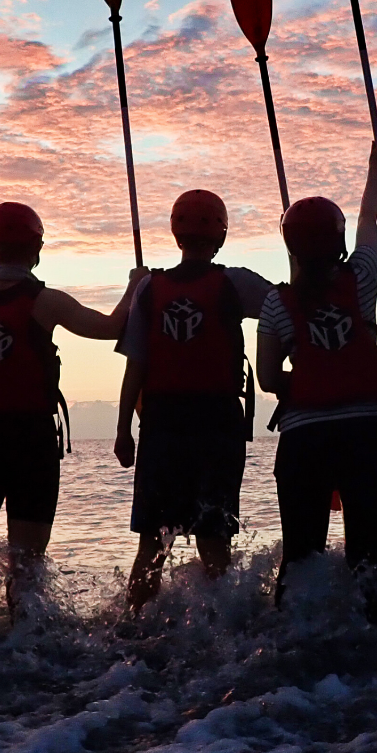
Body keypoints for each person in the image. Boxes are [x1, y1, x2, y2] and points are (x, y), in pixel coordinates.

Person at [0, 202, 145, 601]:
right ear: (37, 246)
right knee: (27, 563)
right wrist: (134, 288)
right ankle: (25, 641)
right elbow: (110, 327)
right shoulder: (46, 301)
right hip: (30, 440)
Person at [257, 142, 377, 626]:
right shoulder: (362, 278)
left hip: (305, 438)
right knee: (370, 553)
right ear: (335, 241)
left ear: (291, 246)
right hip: (369, 433)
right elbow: (367, 225)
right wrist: (374, 171)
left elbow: (269, 378)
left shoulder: (276, 304)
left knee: (300, 554)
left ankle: (292, 637)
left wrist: (308, 375)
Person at [114, 190, 273, 612]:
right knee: (213, 537)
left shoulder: (150, 286)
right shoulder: (235, 281)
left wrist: (121, 431)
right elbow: (285, 308)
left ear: (175, 233)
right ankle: (225, 630)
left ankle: (133, 625)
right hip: (217, 424)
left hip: (161, 424)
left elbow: (136, 365)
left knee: (153, 542)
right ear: (220, 234)